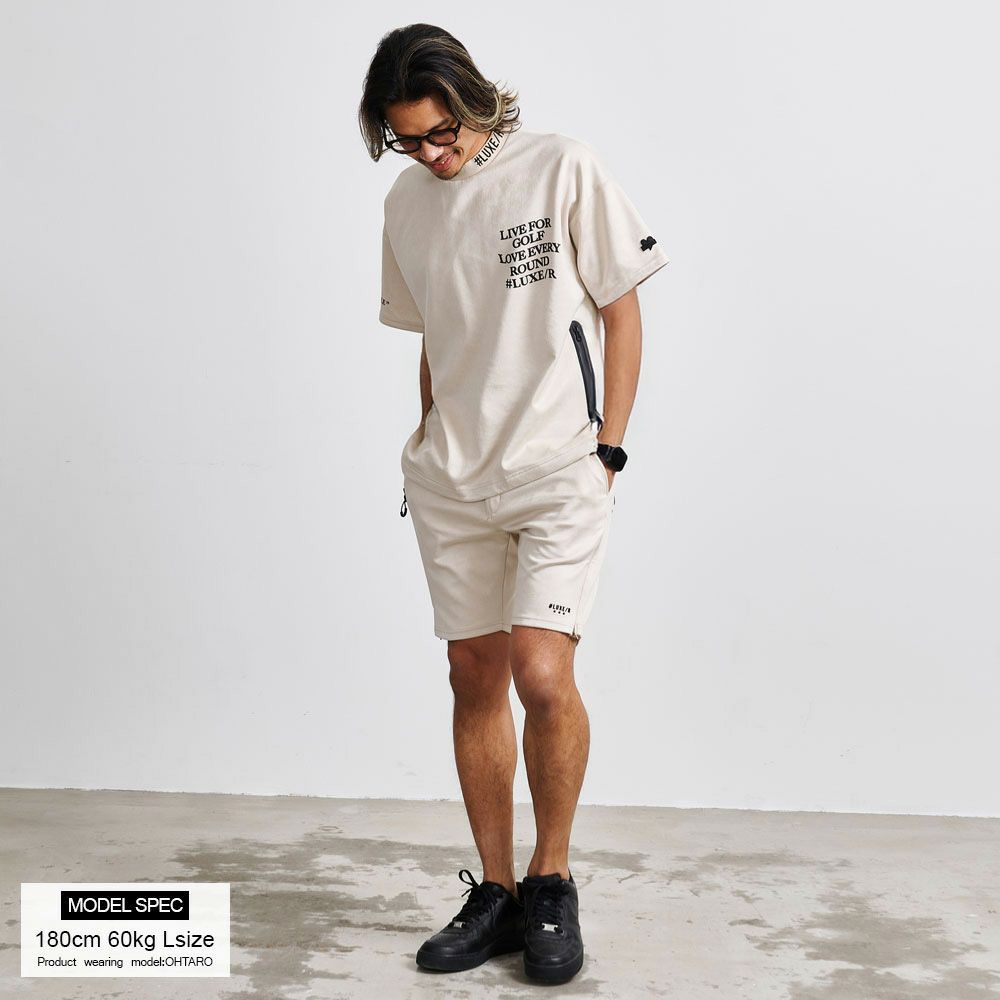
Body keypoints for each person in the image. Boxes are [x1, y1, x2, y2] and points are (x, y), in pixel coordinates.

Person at [358, 23, 669, 986]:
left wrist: (609, 445)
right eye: (406, 140)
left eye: (440, 132)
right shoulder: (406, 204)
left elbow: (621, 305)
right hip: (452, 478)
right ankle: (493, 891)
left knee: (541, 670)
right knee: (472, 675)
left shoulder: (560, 167)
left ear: (471, 100)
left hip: (558, 465)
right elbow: (436, 335)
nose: (429, 154)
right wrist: (426, 437)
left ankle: (550, 881)